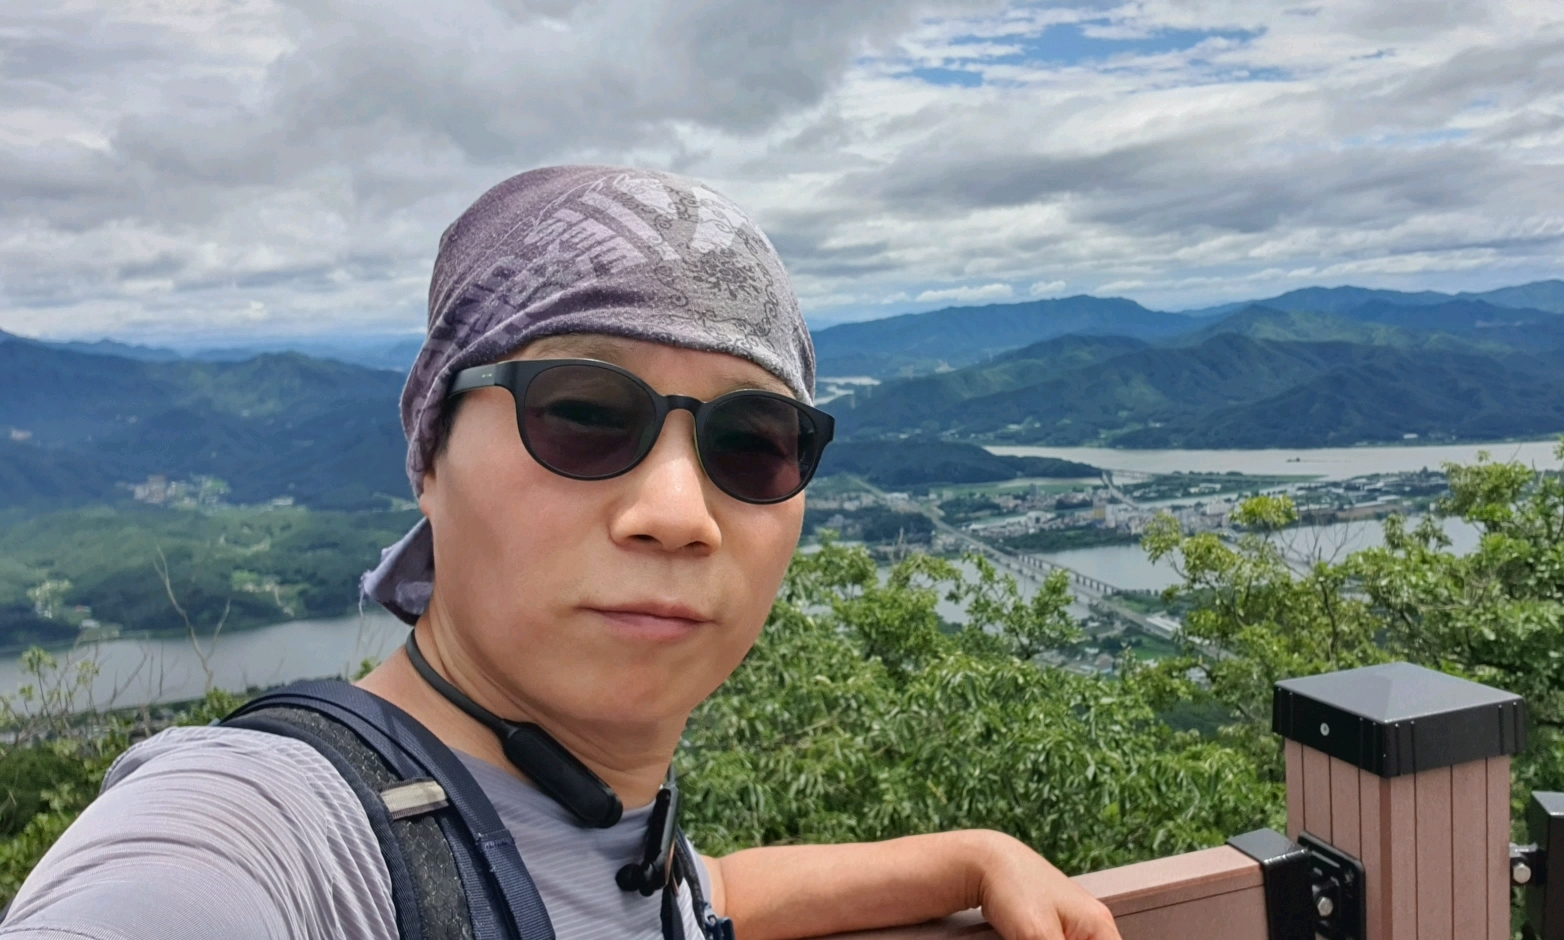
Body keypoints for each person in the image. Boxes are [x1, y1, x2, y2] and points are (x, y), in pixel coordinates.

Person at [0, 166, 1120, 940]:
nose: (678, 511)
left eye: (752, 441)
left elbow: (696, 896)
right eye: (582, 413)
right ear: (430, 456)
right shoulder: (270, 827)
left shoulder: (601, 832)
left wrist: (973, 854)